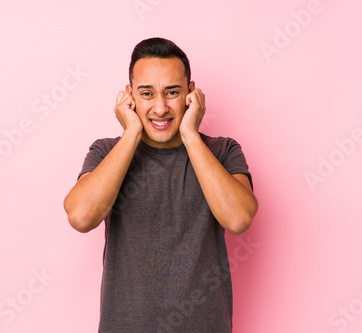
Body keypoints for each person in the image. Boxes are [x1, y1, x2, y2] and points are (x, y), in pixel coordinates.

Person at [64, 37, 258, 332]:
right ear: (129, 96)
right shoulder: (105, 152)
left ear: (191, 94)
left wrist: (190, 133)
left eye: (172, 92)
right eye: (146, 93)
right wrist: (131, 132)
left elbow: (238, 218)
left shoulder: (223, 151)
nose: (160, 107)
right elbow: (81, 217)